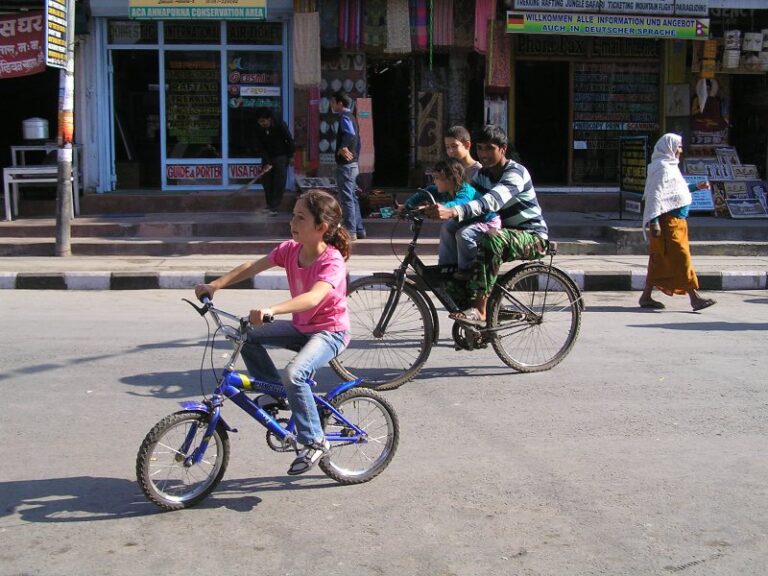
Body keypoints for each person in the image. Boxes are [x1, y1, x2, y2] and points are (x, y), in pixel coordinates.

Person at [194, 189, 351, 475]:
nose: (293, 222)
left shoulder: (332, 261)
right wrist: (216, 284)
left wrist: (272, 310)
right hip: (301, 327)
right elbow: (253, 266)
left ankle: (315, 441)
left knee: (294, 374)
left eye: (301, 217)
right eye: (293, 215)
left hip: (330, 332)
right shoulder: (290, 249)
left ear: (321, 228)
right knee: (244, 333)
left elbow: (315, 298)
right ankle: (275, 391)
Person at [426, 125, 549, 325]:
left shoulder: (516, 173)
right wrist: (427, 206)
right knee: (451, 227)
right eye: (480, 148)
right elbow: (464, 196)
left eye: (489, 148)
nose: (483, 154)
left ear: (503, 149)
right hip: (503, 232)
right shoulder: (482, 175)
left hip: (532, 237)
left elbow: (490, 202)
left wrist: (455, 211)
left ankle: (481, 309)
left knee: (490, 237)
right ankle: (450, 277)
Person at [639, 133, 716, 311]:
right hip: (667, 224)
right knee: (681, 258)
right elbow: (655, 196)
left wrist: (697, 187)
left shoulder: (671, 167)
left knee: (659, 259)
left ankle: (646, 296)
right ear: (669, 147)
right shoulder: (662, 168)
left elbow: (673, 192)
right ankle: (694, 298)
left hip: (677, 223)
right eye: (678, 146)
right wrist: (654, 221)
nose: (681, 150)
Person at [402, 158, 500, 278]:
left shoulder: (465, 191)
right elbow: (425, 192)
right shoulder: (443, 189)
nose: (435, 181)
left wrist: (444, 208)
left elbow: (459, 203)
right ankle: (446, 267)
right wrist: (408, 205)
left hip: (487, 222)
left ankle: (468, 270)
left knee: (463, 234)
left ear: (451, 178)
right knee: (447, 227)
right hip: (468, 221)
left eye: (437, 178)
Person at [330, 91, 366, 240]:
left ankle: (351, 231)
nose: (331, 105)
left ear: (340, 103)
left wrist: (343, 147)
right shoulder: (351, 117)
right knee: (352, 197)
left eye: (333, 102)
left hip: (346, 165)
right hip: (353, 165)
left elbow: (350, 134)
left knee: (347, 198)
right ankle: (359, 229)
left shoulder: (345, 117)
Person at [253, 108, 295, 216]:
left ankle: (274, 207)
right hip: (267, 157)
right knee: (267, 182)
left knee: (278, 182)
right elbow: (259, 145)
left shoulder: (280, 125)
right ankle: (269, 205)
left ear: (269, 119)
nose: (262, 124)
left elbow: (289, 140)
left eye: (264, 121)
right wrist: (266, 160)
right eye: (260, 122)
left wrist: (290, 156)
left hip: (281, 156)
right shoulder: (258, 128)